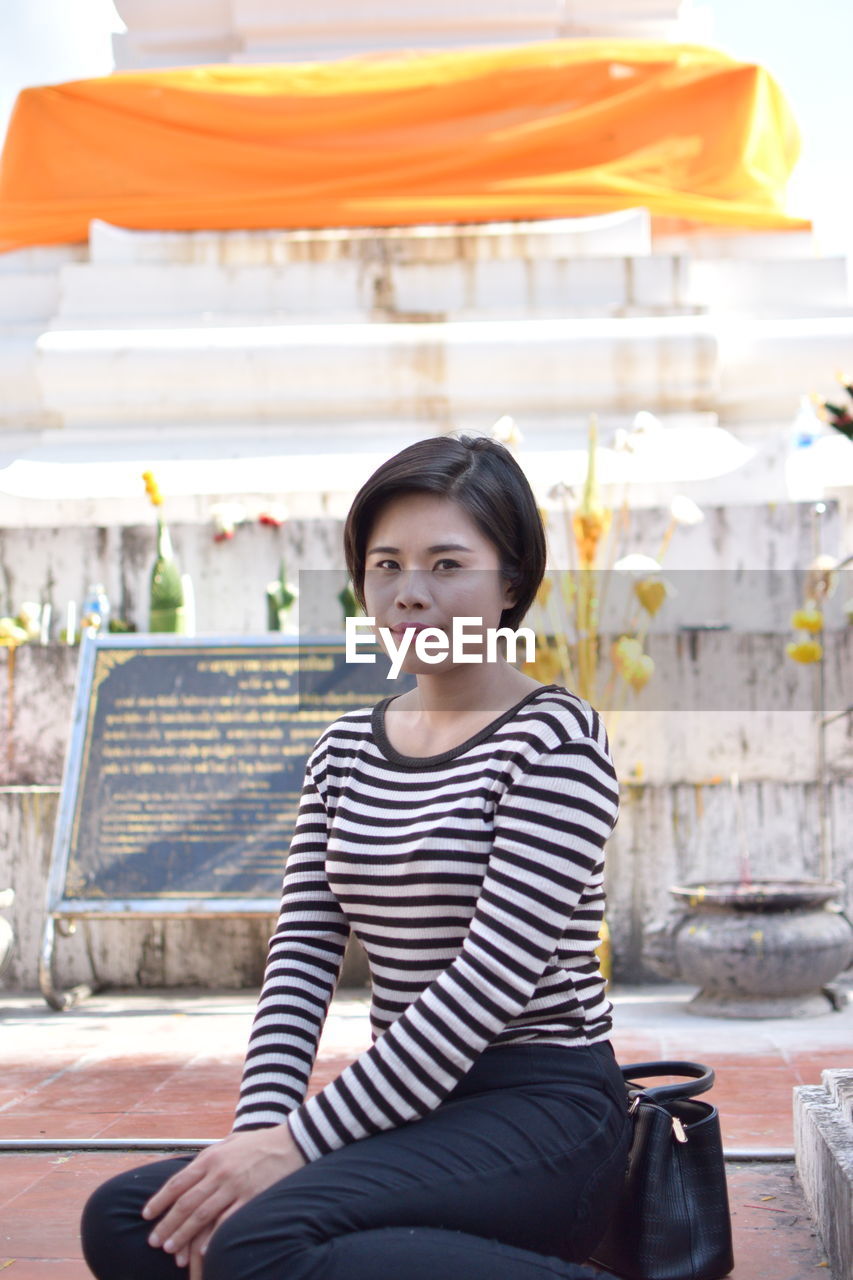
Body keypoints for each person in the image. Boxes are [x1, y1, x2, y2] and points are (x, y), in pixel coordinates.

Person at [81, 434, 631, 1280]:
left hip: (541, 1111)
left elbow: (485, 987)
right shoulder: (343, 749)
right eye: (386, 565)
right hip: (404, 1109)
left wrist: (297, 1146)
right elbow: (300, 959)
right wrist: (257, 1139)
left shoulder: (555, 742)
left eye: (448, 566)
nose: (410, 595)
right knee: (131, 1220)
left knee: (256, 1242)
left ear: (511, 579)